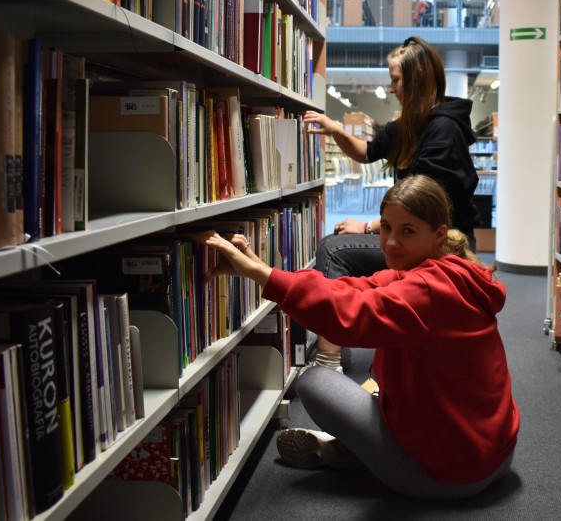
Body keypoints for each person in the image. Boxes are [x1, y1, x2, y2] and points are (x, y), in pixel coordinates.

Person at [203, 175, 519, 500]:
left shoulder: (424, 291)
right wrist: (261, 269)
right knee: (376, 388)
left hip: (444, 477)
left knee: (315, 382)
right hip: (498, 456)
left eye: (407, 231)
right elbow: (351, 289)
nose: (391, 242)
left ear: (438, 234)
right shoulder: (452, 272)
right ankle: (354, 449)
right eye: (386, 227)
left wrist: (261, 277)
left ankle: (354, 452)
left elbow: (348, 315)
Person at [300, 36, 479, 371]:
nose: (392, 86)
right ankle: (338, 342)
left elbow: (422, 204)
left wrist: (370, 226)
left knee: (335, 250)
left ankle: (328, 358)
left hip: (445, 242)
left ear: (416, 81)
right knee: (337, 244)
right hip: (413, 234)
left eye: (396, 79)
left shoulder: (441, 129)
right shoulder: (410, 126)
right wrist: (335, 129)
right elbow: (367, 152)